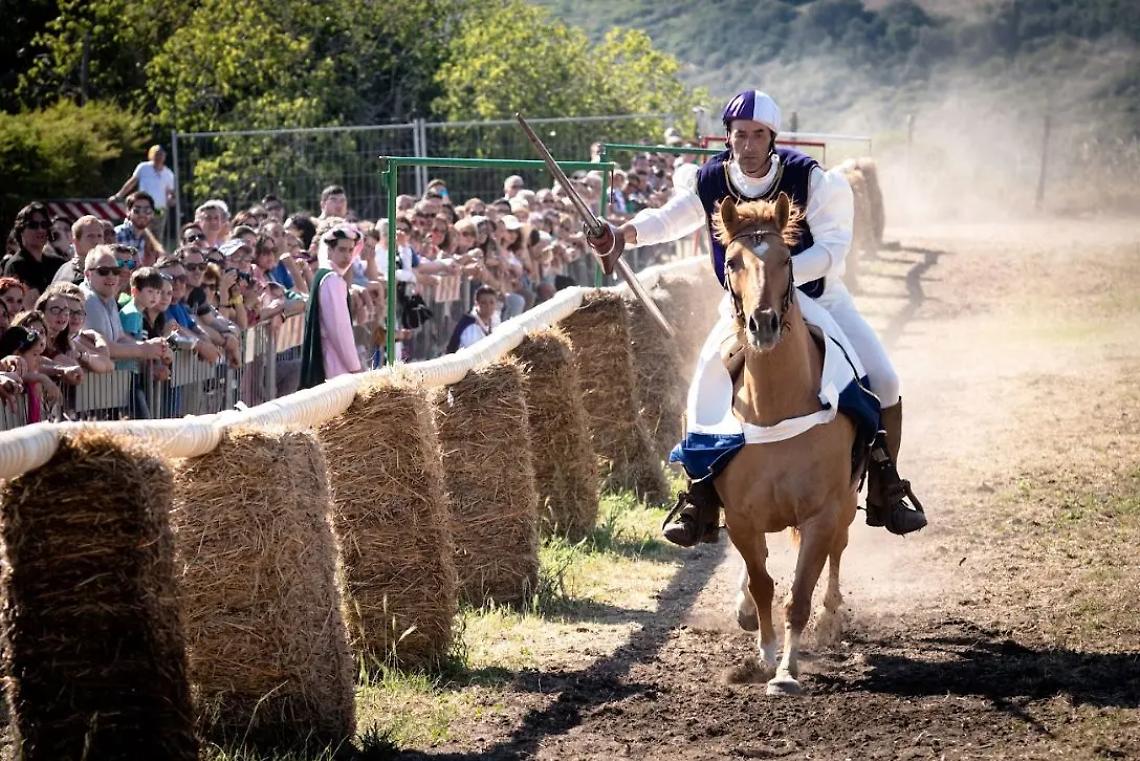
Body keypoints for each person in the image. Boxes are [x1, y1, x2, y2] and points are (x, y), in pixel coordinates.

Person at [587, 90, 926, 545]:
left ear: (772, 138)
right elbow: (670, 220)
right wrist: (623, 233)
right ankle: (698, 495)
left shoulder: (810, 178)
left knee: (884, 379)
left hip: (816, 298)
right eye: (740, 135)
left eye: (757, 135)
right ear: (728, 136)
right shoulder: (710, 180)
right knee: (702, 390)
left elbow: (831, 249)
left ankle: (888, 484)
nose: (748, 144)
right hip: (742, 308)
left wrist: (776, 277)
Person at [298, 221, 363, 388]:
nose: (347, 256)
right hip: (333, 364)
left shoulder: (325, 276)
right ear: (330, 250)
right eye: (342, 250)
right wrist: (355, 367)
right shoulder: (332, 280)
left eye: (350, 250)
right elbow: (340, 330)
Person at [3, 202, 68, 307]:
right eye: (33, 225)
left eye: (44, 225)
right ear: (21, 230)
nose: (40, 230)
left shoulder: (57, 263)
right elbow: (32, 306)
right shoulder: (17, 265)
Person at [109, 145, 176, 242]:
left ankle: (155, 257)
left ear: (164, 156)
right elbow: (132, 182)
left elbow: (171, 192)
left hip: (159, 211)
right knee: (142, 236)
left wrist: (171, 199)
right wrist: (118, 195)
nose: (159, 157)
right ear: (151, 155)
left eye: (161, 154)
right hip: (142, 209)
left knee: (157, 239)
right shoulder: (143, 168)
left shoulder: (168, 173)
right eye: (156, 154)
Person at [446, 285, 498, 353]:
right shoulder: (468, 323)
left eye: (492, 302)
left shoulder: (496, 321)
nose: (488, 306)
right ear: (477, 303)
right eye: (483, 303)